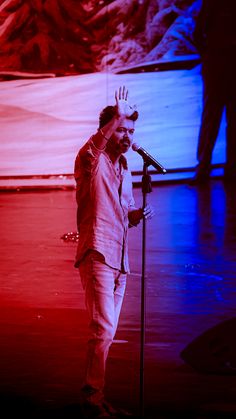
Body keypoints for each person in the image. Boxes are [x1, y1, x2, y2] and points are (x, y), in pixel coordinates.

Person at [74, 86, 154, 418]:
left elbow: (125, 210)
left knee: (107, 333)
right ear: (109, 128)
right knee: (102, 329)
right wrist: (116, 115)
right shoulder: (91, 161)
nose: (126, 135)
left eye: (131, 130)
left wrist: (136, 215)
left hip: (121, 260)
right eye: (121, 128)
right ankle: (92, 400)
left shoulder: (125, 167)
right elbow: (95, 146)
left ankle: (97, 397)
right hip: (98, 253)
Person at [191, 0, 236, 184]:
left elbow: (198, 33)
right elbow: (198, 33)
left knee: (214, 118)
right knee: (218, 119)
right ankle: (216, 170)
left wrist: (209, 54)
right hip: (219, 65)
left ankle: (207, 169)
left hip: (217, 64)